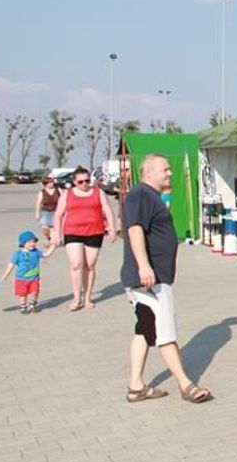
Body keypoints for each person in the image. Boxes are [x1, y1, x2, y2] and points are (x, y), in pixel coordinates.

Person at [121, 154, 212, 404]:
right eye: (166, 169)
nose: (170, 173)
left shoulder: (152, 196)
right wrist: (144, 266)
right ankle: (186, 385)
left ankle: (136, 386)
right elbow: (134, 228)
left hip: (155, 278)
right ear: (148, 172)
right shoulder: (140, 195)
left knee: (145, 330)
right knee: (165, 332)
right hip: (149, 280)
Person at [54, 166, 118, 311]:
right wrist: (57, 234)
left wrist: (112, 229)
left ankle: (87, 297)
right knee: (76, 264)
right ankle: (77, 298)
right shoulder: (67, 194)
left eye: (87, 181)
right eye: (80, 182)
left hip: (95, 231)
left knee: (90, 265)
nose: (84, 184)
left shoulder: (98, 192)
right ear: (74, 182)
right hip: (72, 231)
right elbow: (58, 214)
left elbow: (107, 211)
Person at [0, 230, 56, 314]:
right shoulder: (18, 253)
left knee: (35, 292)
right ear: (23, 243)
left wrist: (54, 246)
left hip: (34, 278)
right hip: (21, 279)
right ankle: (23, 306)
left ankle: (32, 304)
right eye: (29, 242)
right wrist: (5, 275)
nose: (32, 243)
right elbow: (11, 264)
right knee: (22, 294)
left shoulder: (36, 252)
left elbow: (46, 255)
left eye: (34, 241)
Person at [35, 177, 60, 242]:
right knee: (44, 228)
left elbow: (64, 199)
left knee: (53, 229)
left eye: (52, 182)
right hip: (46, 212)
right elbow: (38, 203)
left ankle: (52, 241)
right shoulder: (42, 192)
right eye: (50, 182)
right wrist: (37, 213)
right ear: (46, 184)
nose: (52, 183)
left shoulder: (58, 190)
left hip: (56, 212)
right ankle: (48, 237)